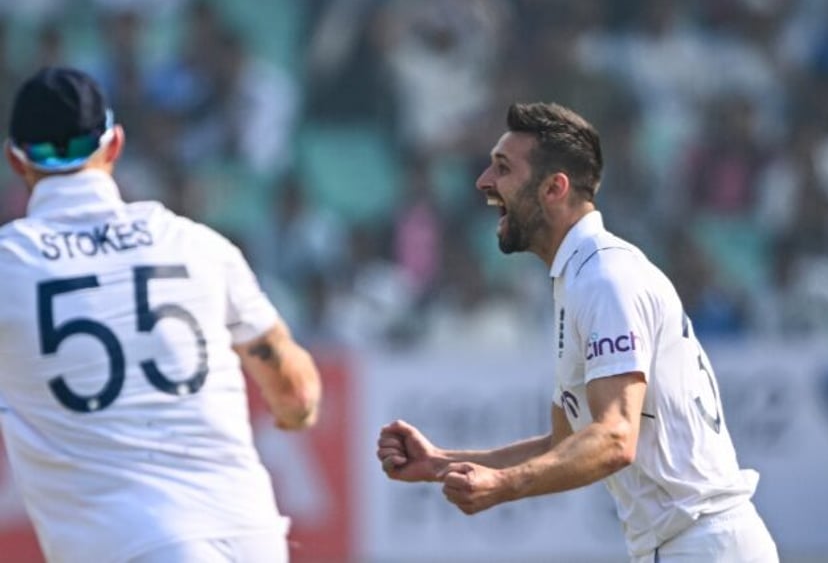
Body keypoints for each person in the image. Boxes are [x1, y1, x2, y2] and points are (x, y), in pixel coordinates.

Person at [377, 102, 779, 562]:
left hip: (703, 546)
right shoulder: (580, 278)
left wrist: (502, 487)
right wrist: (439, 463)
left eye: (502, 168)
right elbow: (562, 444)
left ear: (554, 187)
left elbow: (613, 438)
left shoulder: (604, 278)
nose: (484, 182)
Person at [0, 67, 322, 563]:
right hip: (250, 534)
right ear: (114, 145)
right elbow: (297, 395)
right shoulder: (196, 243)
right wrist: (290, 414)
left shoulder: (10, 264)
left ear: (15, 160)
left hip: (132, 545)